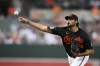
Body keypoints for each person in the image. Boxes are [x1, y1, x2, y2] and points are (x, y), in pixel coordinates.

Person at [18, 14, 94, 66]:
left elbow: (91, 51)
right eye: (68, 19)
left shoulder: (83, 34)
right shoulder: (62, 30)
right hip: (70, 56)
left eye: (71, 19)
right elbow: (43, 28)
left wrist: (79, 54)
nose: (68, 20)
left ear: (76, 21)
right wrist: (28, 22)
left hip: (81, 55)